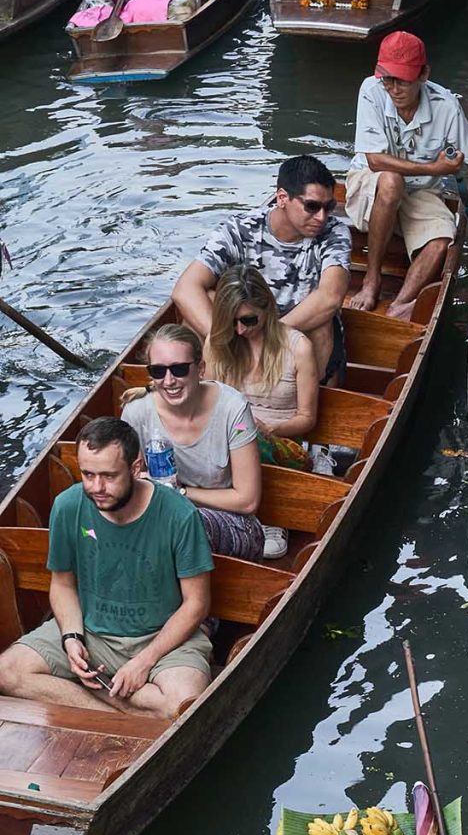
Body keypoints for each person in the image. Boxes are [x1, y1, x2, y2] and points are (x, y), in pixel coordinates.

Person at [0, 415, 212, 716]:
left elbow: (197, 604)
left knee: (182, 704)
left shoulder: (179, 515)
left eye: (109, 476)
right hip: (92, 632)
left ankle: (92, 690)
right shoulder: (67, 506)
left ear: (136, 468)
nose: (96, 486)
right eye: (87, 474)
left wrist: (144, 661)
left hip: (162, 639)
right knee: (7, 672)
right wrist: (71, 637)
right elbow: (62, 584)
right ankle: (123, 714)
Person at [346, 30, 468, 316]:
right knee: (391, 182)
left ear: (424, 75)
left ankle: (397, 306)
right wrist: (435, 168)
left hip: (420, 191)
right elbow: (376, 161)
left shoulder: (446, 106)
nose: (393, 89)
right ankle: (371, 280)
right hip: (370, 183)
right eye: (387, 79)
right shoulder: (371, 90)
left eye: (402, 80)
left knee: (443, 240)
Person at [175, 155, 352, 383]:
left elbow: (330, 297)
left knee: (322, 324)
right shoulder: (240, 229)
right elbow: (185, 288)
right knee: (204, 302)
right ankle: (204, 391)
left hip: (293, 329)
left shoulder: (334, 233)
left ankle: (303, 405)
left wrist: (268, 333)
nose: (322, 217)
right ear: (282, 198)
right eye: (312, 206)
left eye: (328, 207)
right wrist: (223, 336)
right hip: (243, 328)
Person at [120, 319, 270, 560]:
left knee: (185, 524)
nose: (169, 381)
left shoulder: (234, 409)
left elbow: (248, 500)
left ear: (200, 369)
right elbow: (135, 486)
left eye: (179, 369)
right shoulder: (136, 412)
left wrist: (180, 492)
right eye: (158, 371)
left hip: (232, 523)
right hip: (162, 520)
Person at [205, 265, 320, 457]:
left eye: (248, 320)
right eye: (232, 322)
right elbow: (209, 403)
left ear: (266, 308)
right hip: (230, 436)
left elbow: (307, 418)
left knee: (247, 437)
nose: (240, 330)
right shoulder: (217, 343)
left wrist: (269, 429)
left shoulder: (299, 348)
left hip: (281, 442)